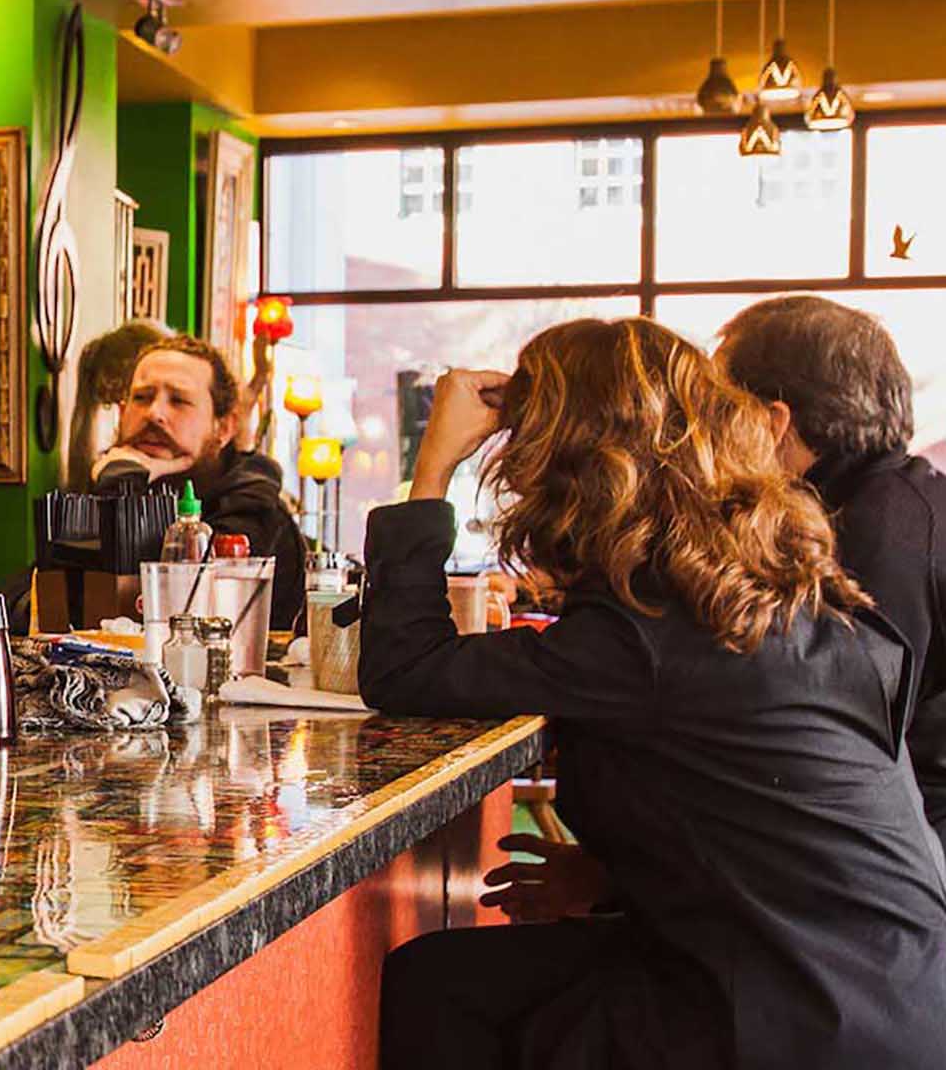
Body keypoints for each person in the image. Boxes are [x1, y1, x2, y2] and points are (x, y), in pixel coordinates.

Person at [364, 317, 946, 1070]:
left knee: (446, 991)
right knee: (445, 982)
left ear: (567, 468)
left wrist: (433, 467)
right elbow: (784, 822)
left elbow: (404, 671)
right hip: (892, 995)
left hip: (796, 1018)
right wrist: (616, 883)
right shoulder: (769, 589)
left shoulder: (643, 632)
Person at [718, 295, 946, 842]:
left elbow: (833, 751)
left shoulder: (875, 534)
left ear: (772, 422)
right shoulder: (894, 502)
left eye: (717, 409)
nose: (707, 435)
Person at [94, 335, 306, 629]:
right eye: (142, 397)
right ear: (121, 412)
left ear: (224, 427)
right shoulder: (109, 476)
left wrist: (124, 489)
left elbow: (167, 615)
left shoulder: (252, 509)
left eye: (179, 401)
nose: (155, 414)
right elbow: (30, 603)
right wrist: (120, 483)